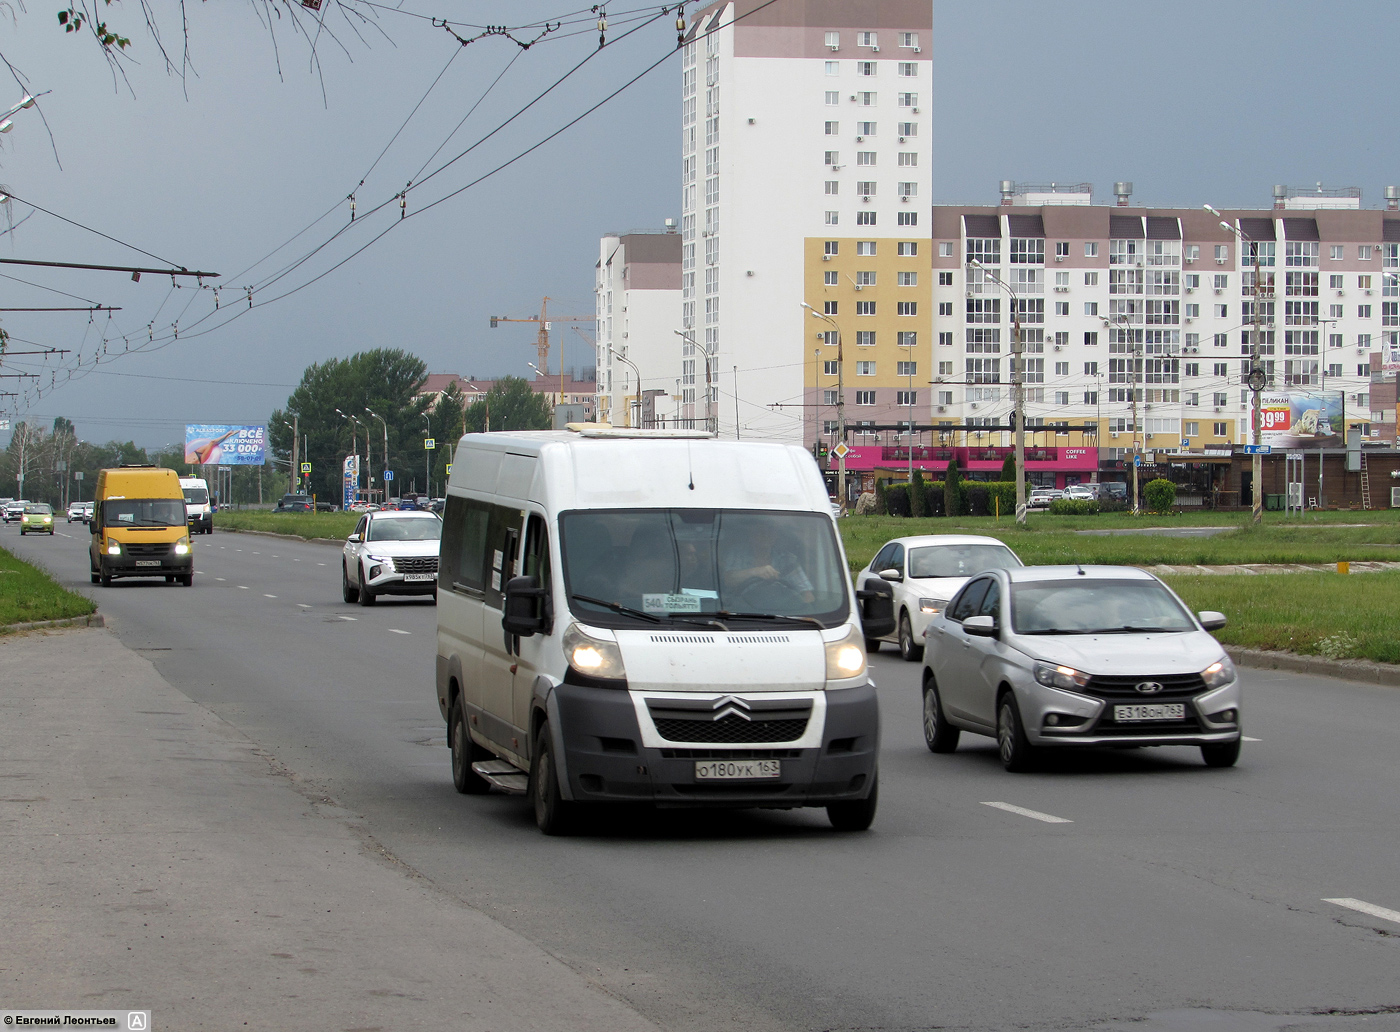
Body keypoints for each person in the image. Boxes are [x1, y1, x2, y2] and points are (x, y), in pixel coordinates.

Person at [720, 521, 814, 604]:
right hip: (741, 612)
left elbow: (807, 595)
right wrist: (755, 572)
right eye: (760, 531)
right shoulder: (737, 554)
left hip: (781, 614)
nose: (766, 535)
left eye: (771, 531)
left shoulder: (787, 559)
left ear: (776, 535)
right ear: (751, 535)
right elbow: (728, 580)